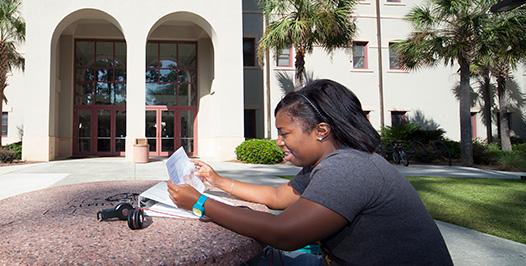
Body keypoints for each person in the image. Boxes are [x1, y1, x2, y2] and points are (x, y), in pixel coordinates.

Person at [167, 79, 453, 266]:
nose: (278, 141)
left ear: (321, 131)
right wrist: (217, 181)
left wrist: (200, 203)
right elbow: (279, 195)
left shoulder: (349, 168)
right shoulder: (328, 161)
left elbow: (284, 234)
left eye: (284, 132)